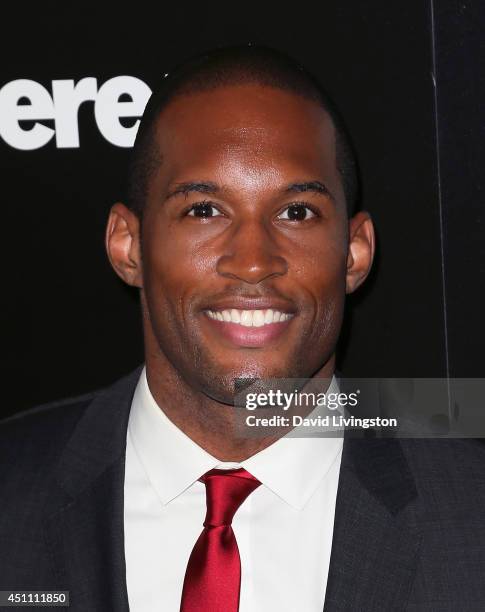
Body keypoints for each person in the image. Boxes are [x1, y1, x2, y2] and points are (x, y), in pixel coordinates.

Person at [1, 45, 485, 612]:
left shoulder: (471, 512)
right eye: (204, 209)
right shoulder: (12, 493)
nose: (253, 262)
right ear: (128, 245)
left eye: (296, 212)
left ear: (353, 254)